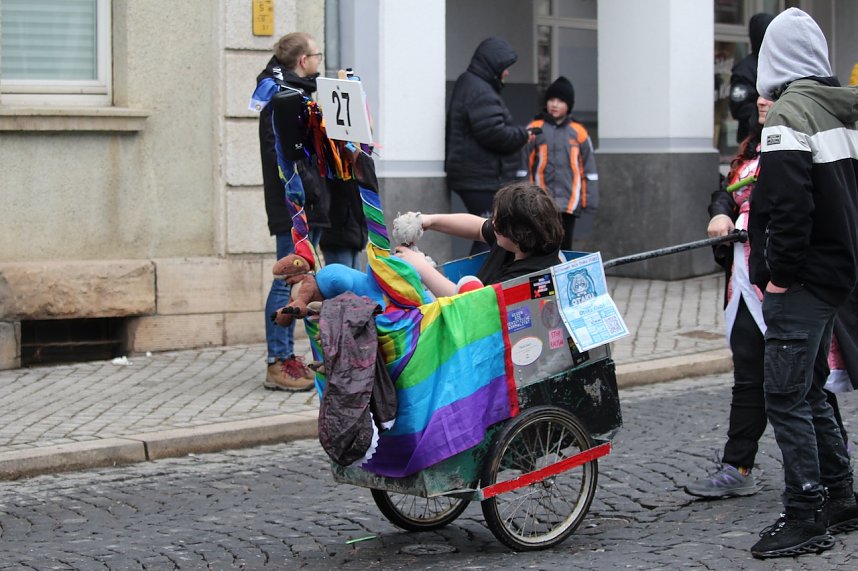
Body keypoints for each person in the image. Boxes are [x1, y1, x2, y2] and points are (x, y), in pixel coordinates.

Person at [684, 96, 857, 501]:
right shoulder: (751, 147)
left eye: (773, 93)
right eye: (761, 92)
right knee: (749, 374)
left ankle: (829, 468)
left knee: (806, 380)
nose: (762, 99)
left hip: (790, 281)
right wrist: (721, 211)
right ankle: (736, 465)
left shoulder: (808, 140)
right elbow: (727, 191)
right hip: (746, 280)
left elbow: (803, 204)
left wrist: (775, 251)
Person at [745, 8, 858, 559]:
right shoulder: (842, 110)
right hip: (838, 274)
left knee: (786, 395)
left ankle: (805, 512)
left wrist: (779, 277)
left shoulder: (790, 114)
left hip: (804, 280)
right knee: (809, 390)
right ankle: (839, 495)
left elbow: (790, 208)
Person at [255, 32, 324, 391]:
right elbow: (284, 155)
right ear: (302, 60)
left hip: (304, 202)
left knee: (301, 281)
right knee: (287, 280)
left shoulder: (297, 92)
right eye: (316, 55)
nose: (318, 62)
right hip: (291, 204)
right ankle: (277, 362)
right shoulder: (279, 96)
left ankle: (288, 358)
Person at [394, 182, 563, 297]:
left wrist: (421, 267)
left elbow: (468, 304)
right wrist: (428, 220)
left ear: (517, 235)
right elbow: (477, 228)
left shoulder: (527, 278)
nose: (492, 223)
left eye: (498, 222)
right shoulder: (519, 242)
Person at [445, 37, 534, 255]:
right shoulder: (480, 90)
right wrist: (524, 135)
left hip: (474, 175)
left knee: (491, 231)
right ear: (494, 65)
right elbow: (494, 134)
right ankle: (474, 282)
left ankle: (477, 282)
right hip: (478, 177)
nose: (507, 73)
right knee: (491, 233)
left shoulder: (473, 85)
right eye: (505, 68)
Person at [526, 76, 598, 250]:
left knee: (565, 246)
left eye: (560, 101)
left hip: (569, 202)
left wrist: (590, 201)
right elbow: (525, 164)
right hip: (541, 202)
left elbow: (589, 169)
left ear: (569, 105)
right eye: (551, 99)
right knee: (542, 245)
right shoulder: (535, 128)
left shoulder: (578, 132)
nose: (554, 104)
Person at [728, 13, 775, 144]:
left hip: (774, 135)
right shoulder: (745, 70)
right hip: (752, 140)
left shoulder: (776, 65)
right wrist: (763, 115)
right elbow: (739, 108)